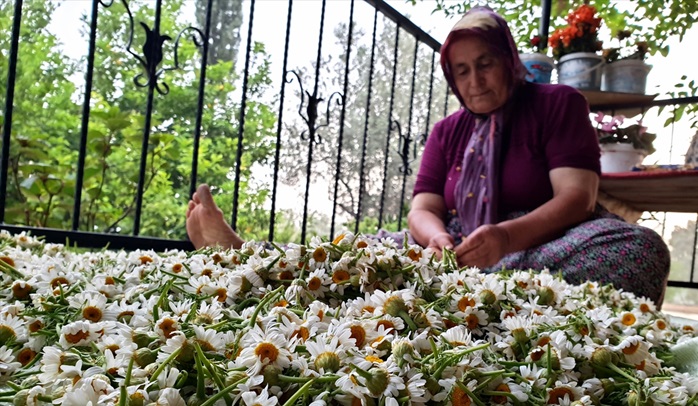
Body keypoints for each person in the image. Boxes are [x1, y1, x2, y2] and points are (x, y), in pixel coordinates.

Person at [187, 6, 671, 306]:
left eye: (485, 64)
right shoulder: (449, 130)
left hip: (544, 240)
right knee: (361, 250)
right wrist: (437, 239)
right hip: (461, 247)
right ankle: (250, 259)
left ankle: (451, 289)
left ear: (509, 61)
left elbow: (577, 198)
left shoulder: (557, 103)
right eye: (461, 71)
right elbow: (423, 208)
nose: (474, 81)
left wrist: (504, 236)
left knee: (641, 250)